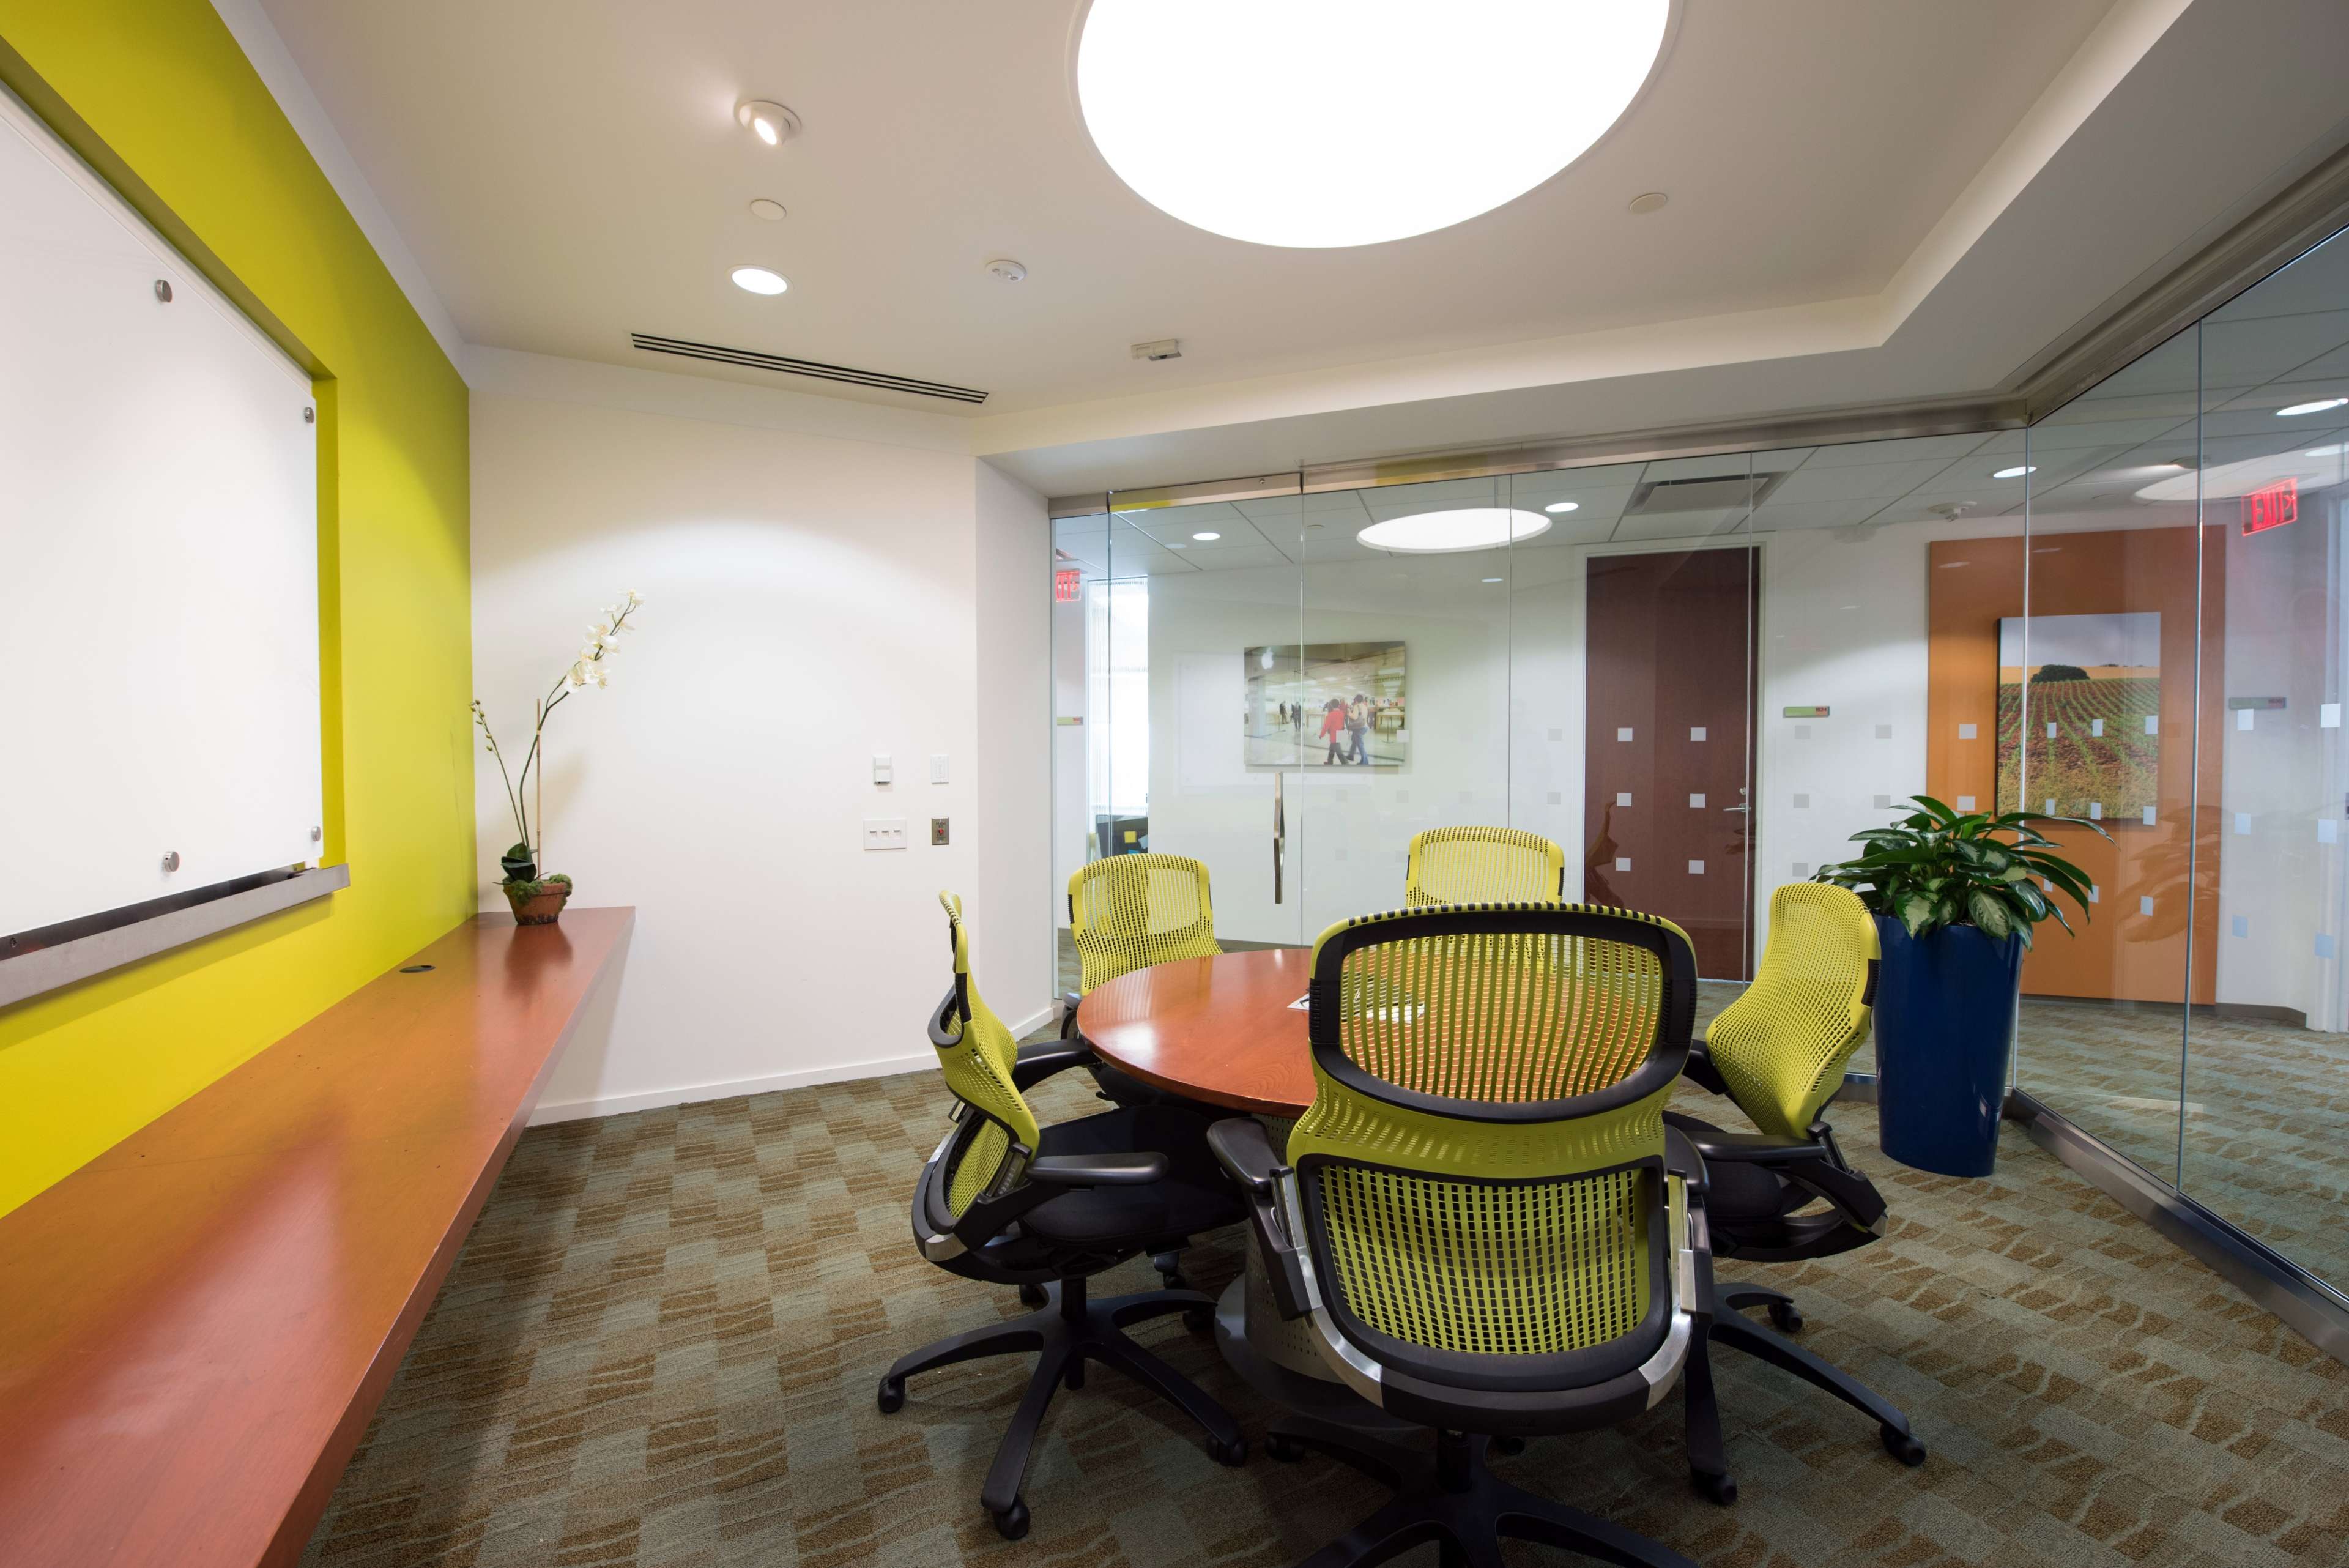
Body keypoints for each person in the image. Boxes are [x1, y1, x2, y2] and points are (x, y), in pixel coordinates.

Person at [1319, 699, 1347, 765]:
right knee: (1332, 749)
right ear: (1338, 705)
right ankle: (1329, 762)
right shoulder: (1342, 713)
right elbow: (1342, 724)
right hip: (1341, 734)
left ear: (1331, 705)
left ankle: (1346, 765)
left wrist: (1321, 735)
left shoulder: (1330, 715)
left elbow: (1326, 727)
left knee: (1340, 753)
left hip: (1334, 736)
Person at [1346, 693, 1370, 765]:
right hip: (1364, 726)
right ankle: (1351, 756)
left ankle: (1365, 762)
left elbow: (1354, 717)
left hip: (1359, 728)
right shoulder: (1364, 706)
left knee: (1360, 745)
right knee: (1354, 741)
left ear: (1356, 700)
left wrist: (1349, 712)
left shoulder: (1356, 706)